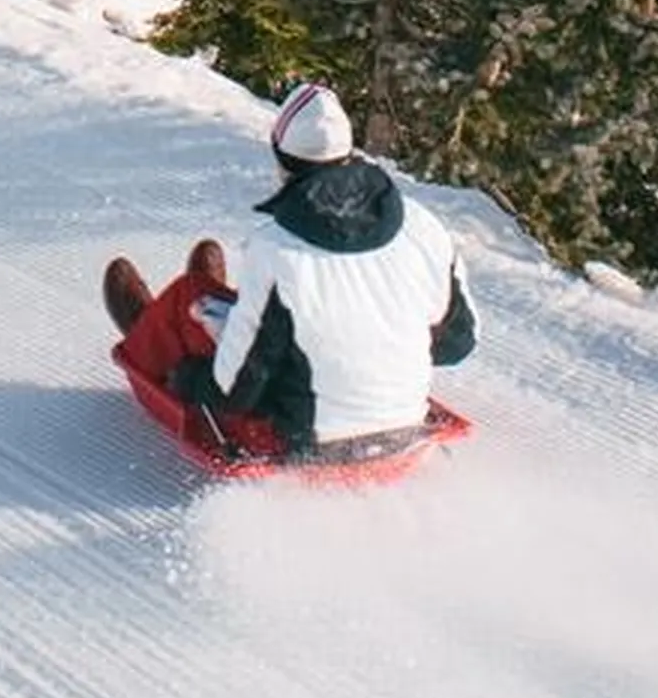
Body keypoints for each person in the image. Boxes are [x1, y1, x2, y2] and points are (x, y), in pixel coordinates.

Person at [104, 81, 475, 461]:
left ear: (281, 161)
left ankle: (148, 332)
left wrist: (187, 377)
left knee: (191, 300)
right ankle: (203, 302)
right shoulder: (422, 224)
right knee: (280, 318)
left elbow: (235, 389)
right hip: (405, 428)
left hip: (309, 441)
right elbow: (458, 342)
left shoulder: (275, 249)